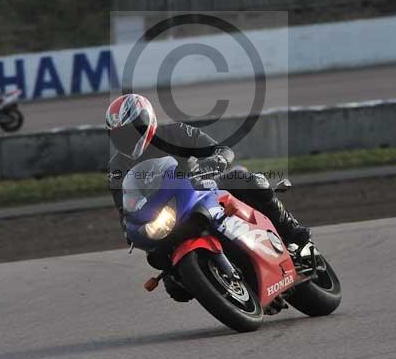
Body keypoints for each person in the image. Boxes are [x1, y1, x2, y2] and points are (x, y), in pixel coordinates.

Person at [106, 93, 311, 271]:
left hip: (202, 187)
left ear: (145, 122)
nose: (127, 139)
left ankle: (288, 228)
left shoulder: (175, 132)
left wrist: (218, 159)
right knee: (170, 280)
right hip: (163, 213)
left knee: (248, 180)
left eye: (131, 131)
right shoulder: (117, 165)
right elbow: (124, 208)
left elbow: (221, 149)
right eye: (120, 135)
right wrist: (129, 230)